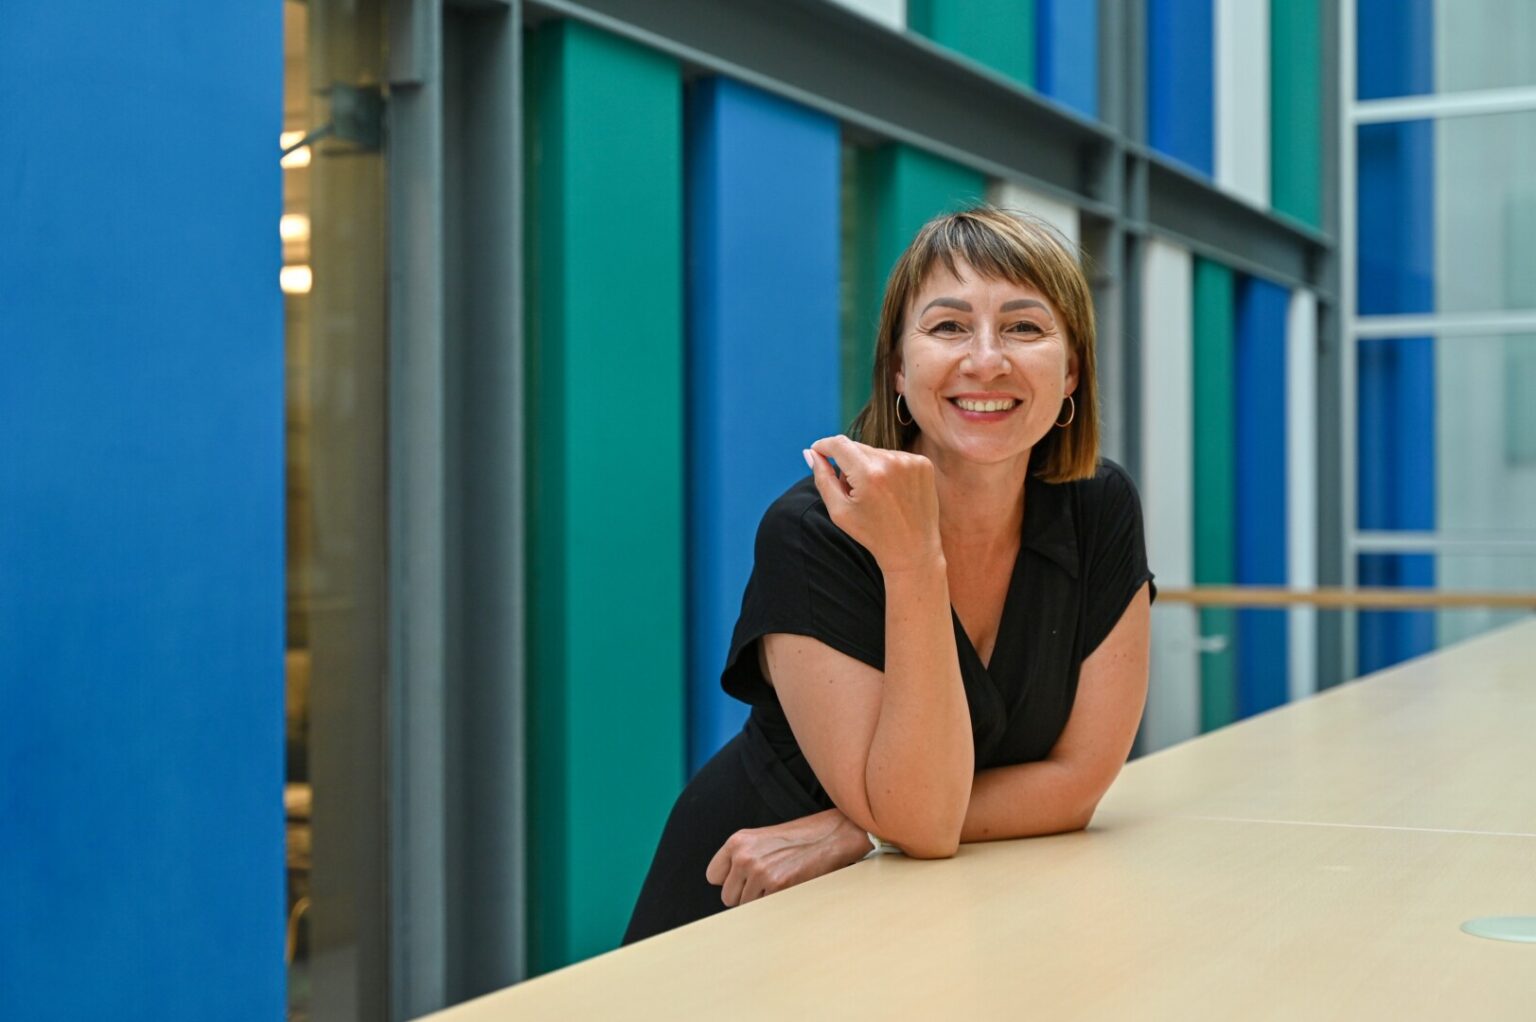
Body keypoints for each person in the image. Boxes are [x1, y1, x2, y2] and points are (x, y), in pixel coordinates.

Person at [623, 205, 1153, 943]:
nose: (986, 360)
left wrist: (860, 830)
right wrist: (913, 561)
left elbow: (1078, 783)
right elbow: (923, 824)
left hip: (936, 901)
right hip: (758, 899)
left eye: (1024, 328)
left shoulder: (1097, 505)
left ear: (1071, 374)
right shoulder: (813, 531)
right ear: (899, 370)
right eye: (949, 326)